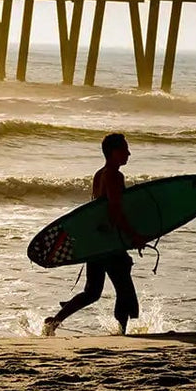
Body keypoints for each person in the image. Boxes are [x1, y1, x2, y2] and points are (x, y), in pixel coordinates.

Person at [42, 133, 147, 336]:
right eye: (125, 149)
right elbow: (115, 211)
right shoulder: (114, 176)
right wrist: (133, 236)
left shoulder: (100, 174)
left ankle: (54, 321)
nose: (129, 153)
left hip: (97, 242)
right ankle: (122, 332)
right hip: (109, 243)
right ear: (114, 152)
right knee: (123, 287)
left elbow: (97, 210)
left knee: (92, 292)